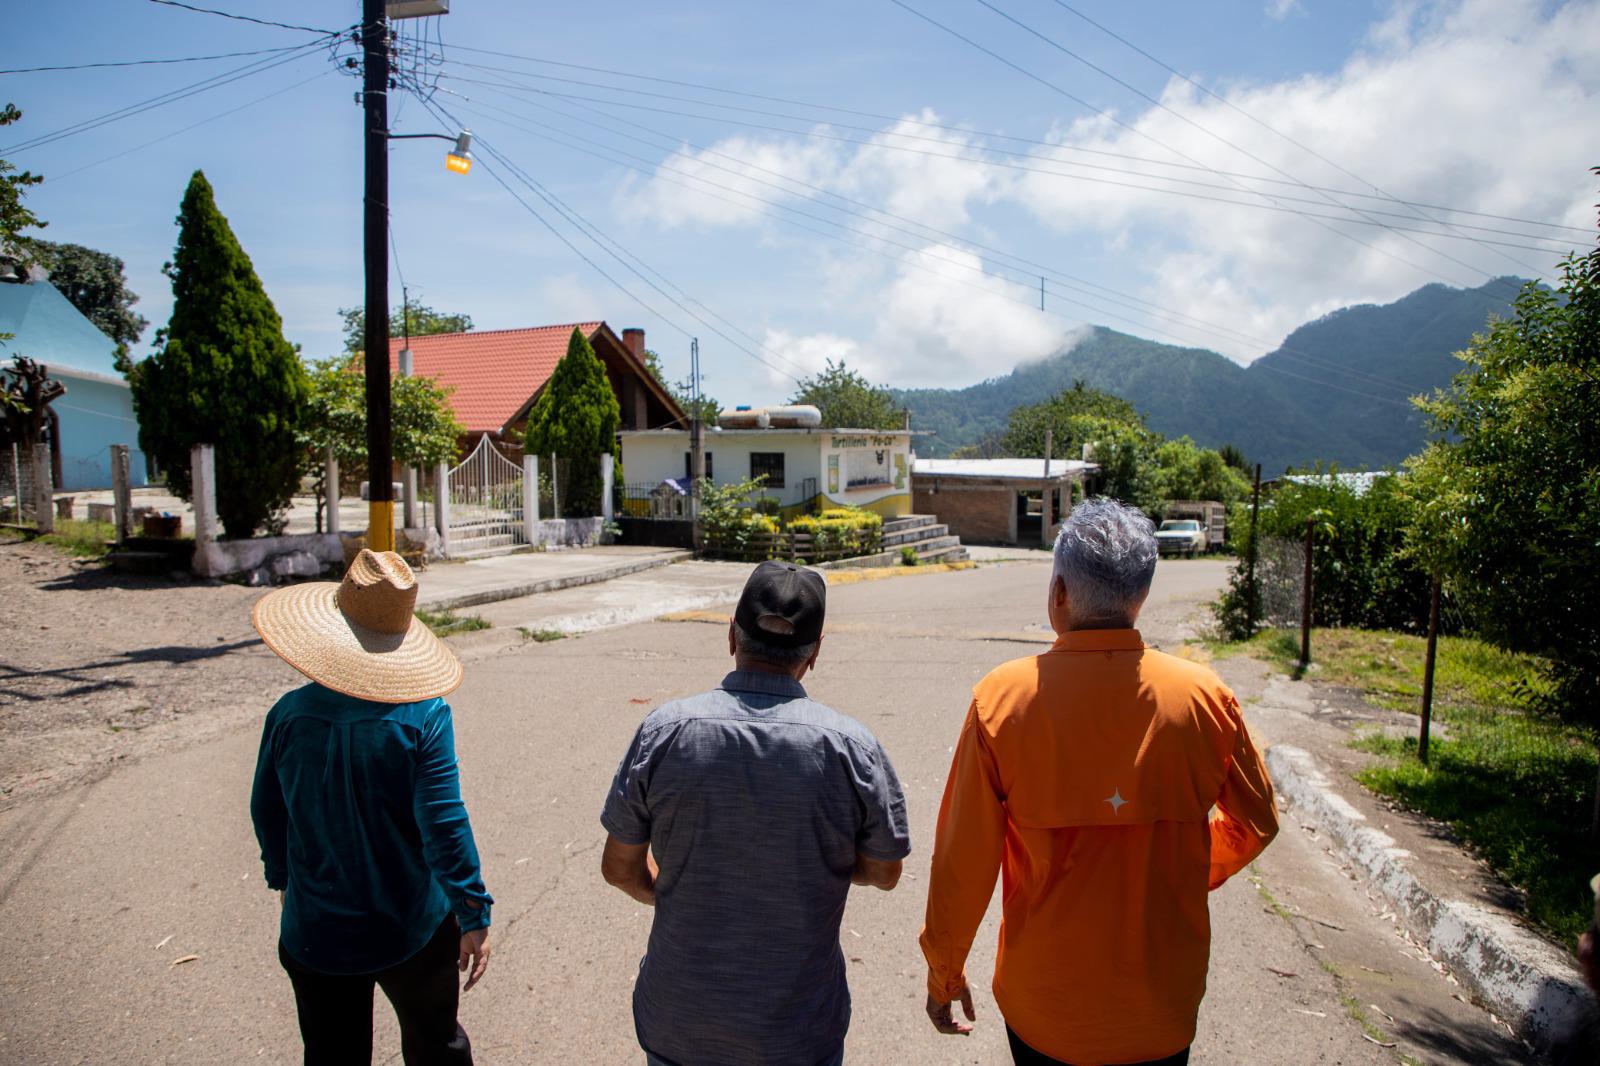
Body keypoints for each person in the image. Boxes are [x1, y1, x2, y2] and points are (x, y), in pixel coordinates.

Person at [919, 499, 1279, 1066]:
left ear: (1059, 592)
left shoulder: (1003, 700)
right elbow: (1257, 820)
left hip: (1045, 1008)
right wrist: (1190, 868)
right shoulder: (1206, 698)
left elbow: (962, 863)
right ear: (1140, 595)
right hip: (1161, 1007)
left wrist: (945, 975)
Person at [599, 560, 911, 1066]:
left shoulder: (665, 732)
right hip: (796, 1029)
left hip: (679, 1021)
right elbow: (884, 871)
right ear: (814, 654)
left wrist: (681, 892)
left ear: (731, 636)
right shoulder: (852, 748)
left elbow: (618, 868)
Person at [250, 549, 493, 1066]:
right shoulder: (424, 715)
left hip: (314, 927)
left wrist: (283, 882)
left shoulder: (288, 715)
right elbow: (443, 824)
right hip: (410, 925)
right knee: (436, 1047)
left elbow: (268, 812)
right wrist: (472, 912)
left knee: (333, 1053)